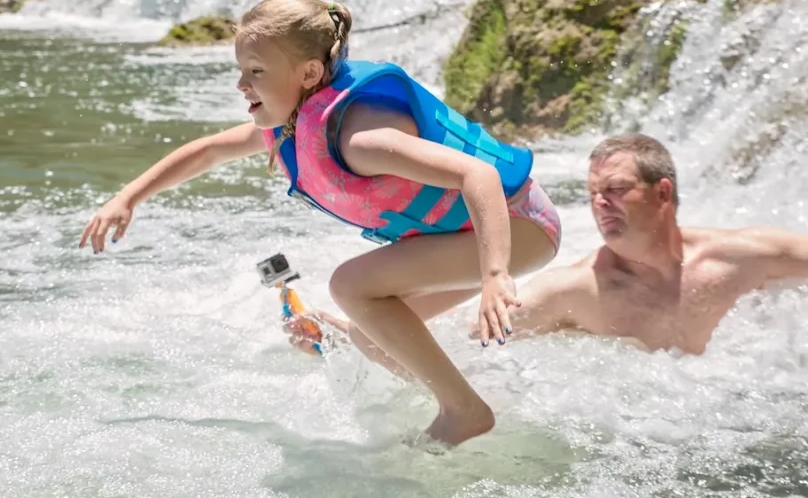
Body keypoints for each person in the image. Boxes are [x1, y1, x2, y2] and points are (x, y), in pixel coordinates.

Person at [79, 0, 563, 446]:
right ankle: (480, 401)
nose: (241, 84)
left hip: (516, 225)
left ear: (309, 73)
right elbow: (207, 152)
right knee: (369, 336)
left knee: (352, 284)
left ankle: (463, 410)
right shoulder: (290, 122)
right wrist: (129, 196)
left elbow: (476, 175)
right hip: (477, 232)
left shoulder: (360, 139)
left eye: (255, 71)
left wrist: (494, 273)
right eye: (240, 69)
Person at [297, 133, 808, 357]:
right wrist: (350, 338)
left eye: (617, 192)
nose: (600, 205)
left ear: (664, 193)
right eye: (592, 195)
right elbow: (466, 345)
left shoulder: (743, 257)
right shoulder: (574, 291)